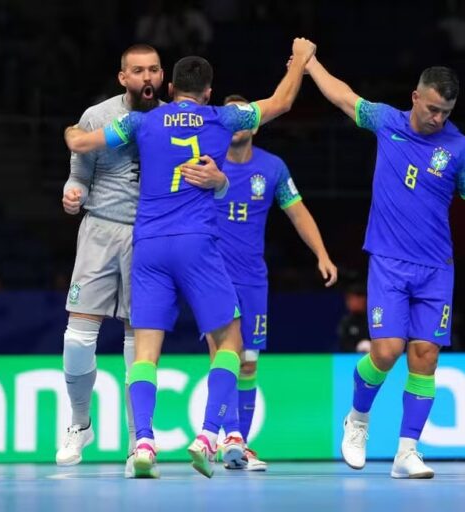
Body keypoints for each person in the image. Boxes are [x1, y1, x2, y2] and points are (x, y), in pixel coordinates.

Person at [65, 37, 317, 479]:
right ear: (207, 91)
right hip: (197, 244)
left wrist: (71, 134)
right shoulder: (223, 117)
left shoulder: (140, 122)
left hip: (149, 246)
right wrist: (298, 60)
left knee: (144, 352)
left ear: (170, 84)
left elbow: (86, 143)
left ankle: (143, 443)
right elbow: (282, 100)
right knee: (231, 343)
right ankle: (207, 435)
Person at [304, 58, 465, 478]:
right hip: (389, 261)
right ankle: (358, 420)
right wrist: (310, 64)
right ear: (415, 98)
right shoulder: (386, 121)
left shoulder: (460, 149)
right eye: (432, 108)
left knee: (425, 356)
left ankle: (407, 452)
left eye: (446, 113)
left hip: (437, 267)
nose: (437, 118)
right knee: (386, 351)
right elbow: (343, 97)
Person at [57, 44, 203, 478]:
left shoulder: (176, 119)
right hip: (101, 231)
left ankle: (135, 442)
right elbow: (79, 173)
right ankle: (79, 423)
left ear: (163, 77)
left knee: (137, 346)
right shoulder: (97, 117)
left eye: (154, 70)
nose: (147, 78)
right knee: (78, 337)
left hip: (152, 238)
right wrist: (73, 193)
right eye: (137, 71)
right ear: (123, 77)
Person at [206, 94, 338, 471]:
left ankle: (239, 446)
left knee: (248, 363)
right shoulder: (205, 163)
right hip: (213, 276)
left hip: (252, 279)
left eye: (246, 115)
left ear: (257, 122)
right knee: (225, 356)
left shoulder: (273, 168)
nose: (240, 121)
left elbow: (298, 213)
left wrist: (322, 255)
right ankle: (229, 436)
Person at [337, 282, 370, 353]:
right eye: (349, 299)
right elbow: (343, 345)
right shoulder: (346, 322)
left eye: (356, 299)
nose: (352, 302)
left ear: (364, 300)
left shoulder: (375, 320)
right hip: (351, 359)